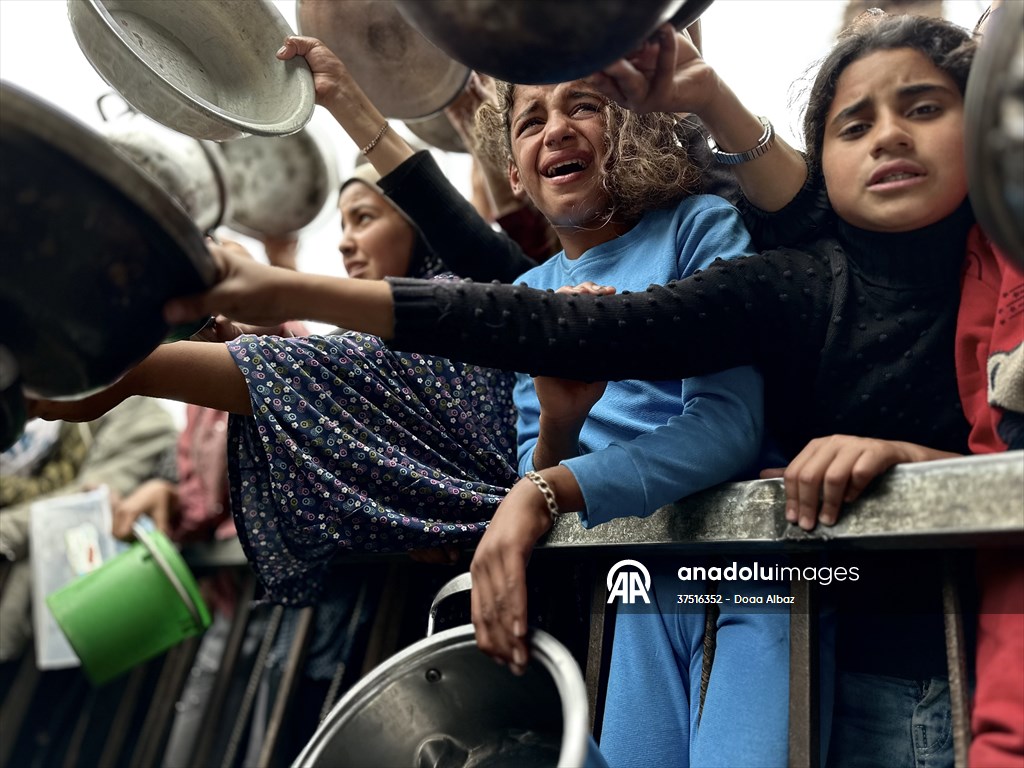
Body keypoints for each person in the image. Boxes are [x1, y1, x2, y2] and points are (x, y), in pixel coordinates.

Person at [116, 13, 989, 767]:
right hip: (624, 596)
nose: (556, 130)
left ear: (638, 127)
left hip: (743, 577)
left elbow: (724, 427)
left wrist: (546, 489)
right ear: (518, 167)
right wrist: (553, 449)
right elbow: (538, 455)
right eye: (530, 120)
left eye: (583, 105)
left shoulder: (704, 228)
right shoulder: (528, 295)